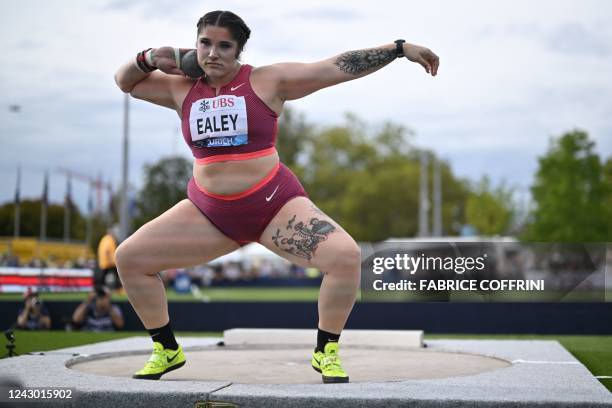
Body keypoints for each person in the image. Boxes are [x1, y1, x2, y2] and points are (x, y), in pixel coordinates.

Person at [114, 10, 439, 382]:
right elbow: (126, 82)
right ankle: (166, 349)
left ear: (239, 50)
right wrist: (152, 57)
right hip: (210, 215)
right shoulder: (181, 88)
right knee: (130, 258)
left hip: (274, 208)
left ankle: (326, 351)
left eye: (224, 46)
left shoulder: (267, 81)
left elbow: (333, 68)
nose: (213, 53)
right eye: (205, 43)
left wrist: (398, 48)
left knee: (346, 257)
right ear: (195, 44)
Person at [96, 225, 120, 289]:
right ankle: (118, 288)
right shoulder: (110, 239)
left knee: (103, 277)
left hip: (103, 261)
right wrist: (112, 260)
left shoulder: (104, 239)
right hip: (109, 262)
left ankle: (101, 288)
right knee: (117, 274)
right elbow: (108, 250)